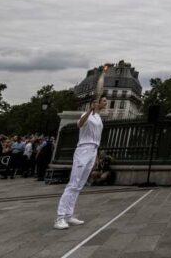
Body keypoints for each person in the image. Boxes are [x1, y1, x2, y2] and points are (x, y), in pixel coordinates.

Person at [54, 75, 108, 230]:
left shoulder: (98, 118)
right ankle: (59, 217)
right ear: (95, 103)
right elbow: (79, 124)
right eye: (103, 101)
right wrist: (89, 110)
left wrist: (96, 155)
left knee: (80, 184)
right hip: (83, 149)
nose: (105, 103)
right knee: (73, 183)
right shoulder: (88, 116)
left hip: (92, 150)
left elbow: (97, 138)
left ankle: (69, 215)